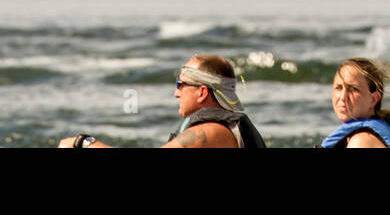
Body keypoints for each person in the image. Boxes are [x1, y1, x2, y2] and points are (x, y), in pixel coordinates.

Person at [59, 54, 266, 148]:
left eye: (181, 85)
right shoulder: (224, 128)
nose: (176, 94)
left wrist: (83, 143)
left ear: (202, 92)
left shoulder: (212, 132)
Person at [320, 57, 390, 148]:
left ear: (374, 99)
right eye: (339, 87)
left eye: (353, 89)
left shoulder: (362, 142)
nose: (342, 97)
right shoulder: (378, 131)